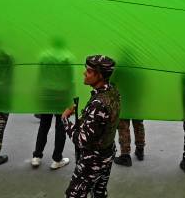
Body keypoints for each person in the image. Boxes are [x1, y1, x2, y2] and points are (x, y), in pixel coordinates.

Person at [62, 55, 121, 198]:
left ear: (100, 75)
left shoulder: (98, 103)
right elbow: (103, 122)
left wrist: (65, 119)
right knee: (99, 193)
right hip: (107, 153)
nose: (84, 73)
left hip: (93, 159)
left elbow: (81, 140)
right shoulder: (112, 91)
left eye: (88, 71)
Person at [31, 39, 74, 170]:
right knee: (61, 127)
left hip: (46, 93)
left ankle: (36, 157)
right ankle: (57, 159)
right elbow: (70, 79)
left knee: (44, 125)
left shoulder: (44, 56)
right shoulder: (67, 57)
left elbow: (39, 76)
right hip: (61, 94)